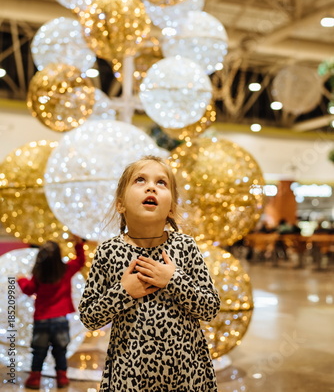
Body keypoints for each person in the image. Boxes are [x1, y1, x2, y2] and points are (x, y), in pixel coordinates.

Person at [79, 155, 221, 392]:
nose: (151, 186)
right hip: (129, 376)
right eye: (140, 180)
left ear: (172, 208)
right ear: (120, 203)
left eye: (161, 182)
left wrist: (173, 279)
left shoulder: (185, 246)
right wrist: (123, 292)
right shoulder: (109, 251)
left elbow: (210, 308)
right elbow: (89, 317)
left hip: (187, 375)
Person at [17, 236, 85, 389]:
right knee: (60, 351)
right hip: (60, 320)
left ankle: (34, 379)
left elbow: (28, 290)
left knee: (38, 352)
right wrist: (78, 245)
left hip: (41, 320)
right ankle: (62, 378)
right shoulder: (66, 270)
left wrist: (21, 280)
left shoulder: (39, 275)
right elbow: (80, 261)